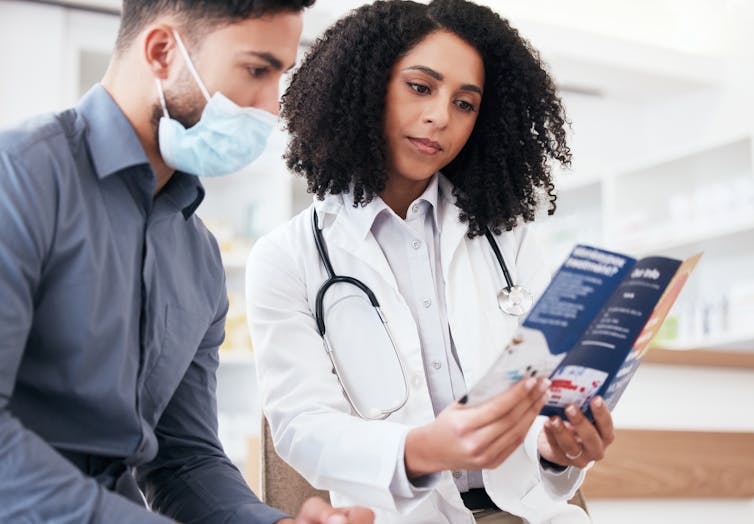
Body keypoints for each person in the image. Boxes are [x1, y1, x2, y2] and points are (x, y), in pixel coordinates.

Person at [0, 1, 373, 523]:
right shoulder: (18, 179)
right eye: (256, 70)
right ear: (161, 51)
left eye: (280, 77)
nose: (272, 107)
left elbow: (184, 460)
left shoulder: (197, 256)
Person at [245, 1, 616, 522]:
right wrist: (423, 449)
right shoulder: (288, 257)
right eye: (420, 87)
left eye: (465, 104)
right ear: (368, 86)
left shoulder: (506, 240)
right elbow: (303, 426)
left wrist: (557, 450)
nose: (440, 116)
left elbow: (539, 392)